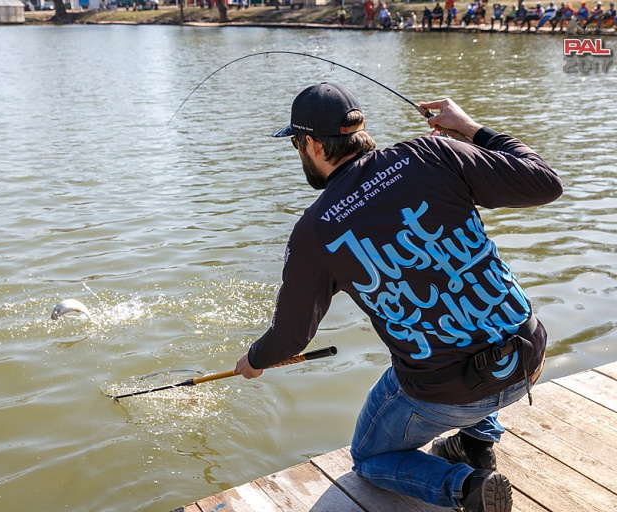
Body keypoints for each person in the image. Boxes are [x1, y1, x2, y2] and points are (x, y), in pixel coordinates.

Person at [235, 82, 563, 512]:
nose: (300, 152)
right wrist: (470, 130)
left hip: (446, 392)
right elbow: (546, 183)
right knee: (466, 319)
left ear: (313, 144)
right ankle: (476, 442)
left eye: (298, 143)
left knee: (370, 458)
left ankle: (465, 485)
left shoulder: (316, 229)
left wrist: (255, 360)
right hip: (527, 356)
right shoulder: (433, 154)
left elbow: (291, 338)